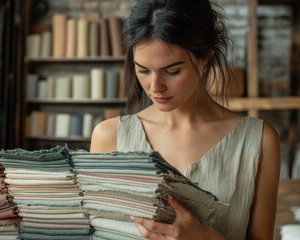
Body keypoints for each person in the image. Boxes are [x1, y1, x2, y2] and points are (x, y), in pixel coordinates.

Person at [90, 0, 281, 239]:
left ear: (205, 56)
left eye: (172, 71)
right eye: (143, 70)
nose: (155, 87)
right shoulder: (110, 137)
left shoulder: (258, 141)